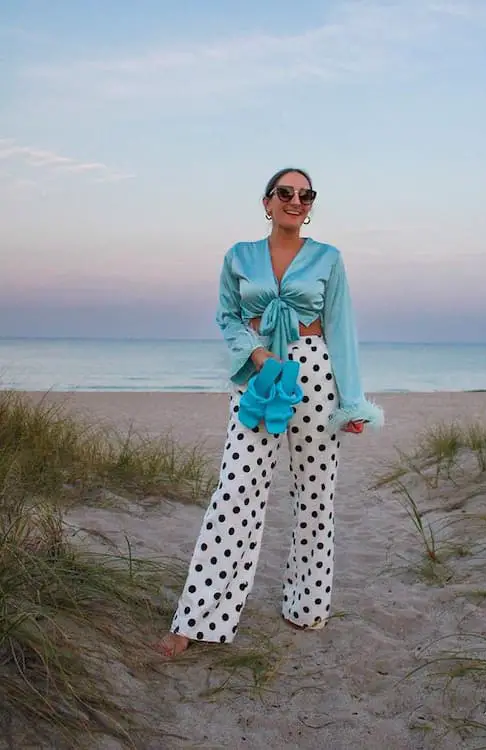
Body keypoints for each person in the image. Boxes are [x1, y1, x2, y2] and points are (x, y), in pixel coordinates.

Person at [154, 168, 383, 657]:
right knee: (236, 492)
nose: (295, 201)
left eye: (305, 195)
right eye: (286, 193)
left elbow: (342, 330)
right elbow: (228, 316)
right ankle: (196, 621)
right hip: (258, 374)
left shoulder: (329, 258)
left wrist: (352, 402)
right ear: (267, 201)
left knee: (316, 496)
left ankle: (307, 606)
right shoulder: (240, 256)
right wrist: (257, 355)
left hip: (316, 373)